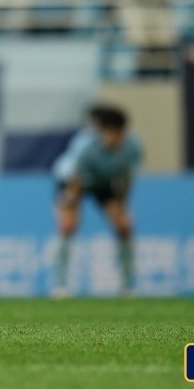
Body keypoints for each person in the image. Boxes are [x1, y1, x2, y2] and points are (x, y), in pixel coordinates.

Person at [51, 105, 141, 297]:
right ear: (103, 132)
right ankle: (60, 285)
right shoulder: (86, 146)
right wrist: (68, 202)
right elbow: (76, 181)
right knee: (68, 226)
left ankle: (128, 286)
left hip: (104, 182)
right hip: (72, 181)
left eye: (119, 134)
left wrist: (121, 206)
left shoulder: (132, 147)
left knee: (124, 226)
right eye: (110, 134)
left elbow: (126, 179)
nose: (114, 139)